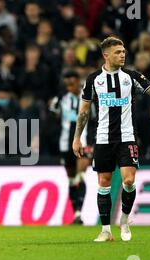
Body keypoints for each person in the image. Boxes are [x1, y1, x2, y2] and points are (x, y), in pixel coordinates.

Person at [72, 37, 150, 242]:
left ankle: (125, 220)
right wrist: (77, 138)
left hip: (127, 137)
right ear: (106, 55)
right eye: (118, 52)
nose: (122, 54)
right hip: (103, 138)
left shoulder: (131, 76)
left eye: (123, 51)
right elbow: (83, 112)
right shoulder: (93, 80)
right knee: (104, 182)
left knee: (128, 180)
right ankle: (106, 230)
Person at [49, 70, 94, 224]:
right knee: (71, 179)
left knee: (80, 176)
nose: (69, 86)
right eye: (67, 83)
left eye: (72, 82)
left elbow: (95, 120)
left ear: (77, 82)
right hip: (65, 144)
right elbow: (53, 120)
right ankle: (75, 212)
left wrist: (93, 143)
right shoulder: (60, 99)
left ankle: (79, 212)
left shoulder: (89, 97)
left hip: (84, 142)